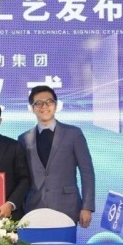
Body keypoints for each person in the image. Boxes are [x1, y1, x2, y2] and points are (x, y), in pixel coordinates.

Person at [18, 85, 96, 227]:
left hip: (67, 207)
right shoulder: (24, 138)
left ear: (56, 105)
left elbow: (87, 171)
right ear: (32, 108)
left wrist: (87, 207)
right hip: (34, 208)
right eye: (39, 103)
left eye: (49, 102)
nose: (44, 106)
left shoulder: (73, 134)